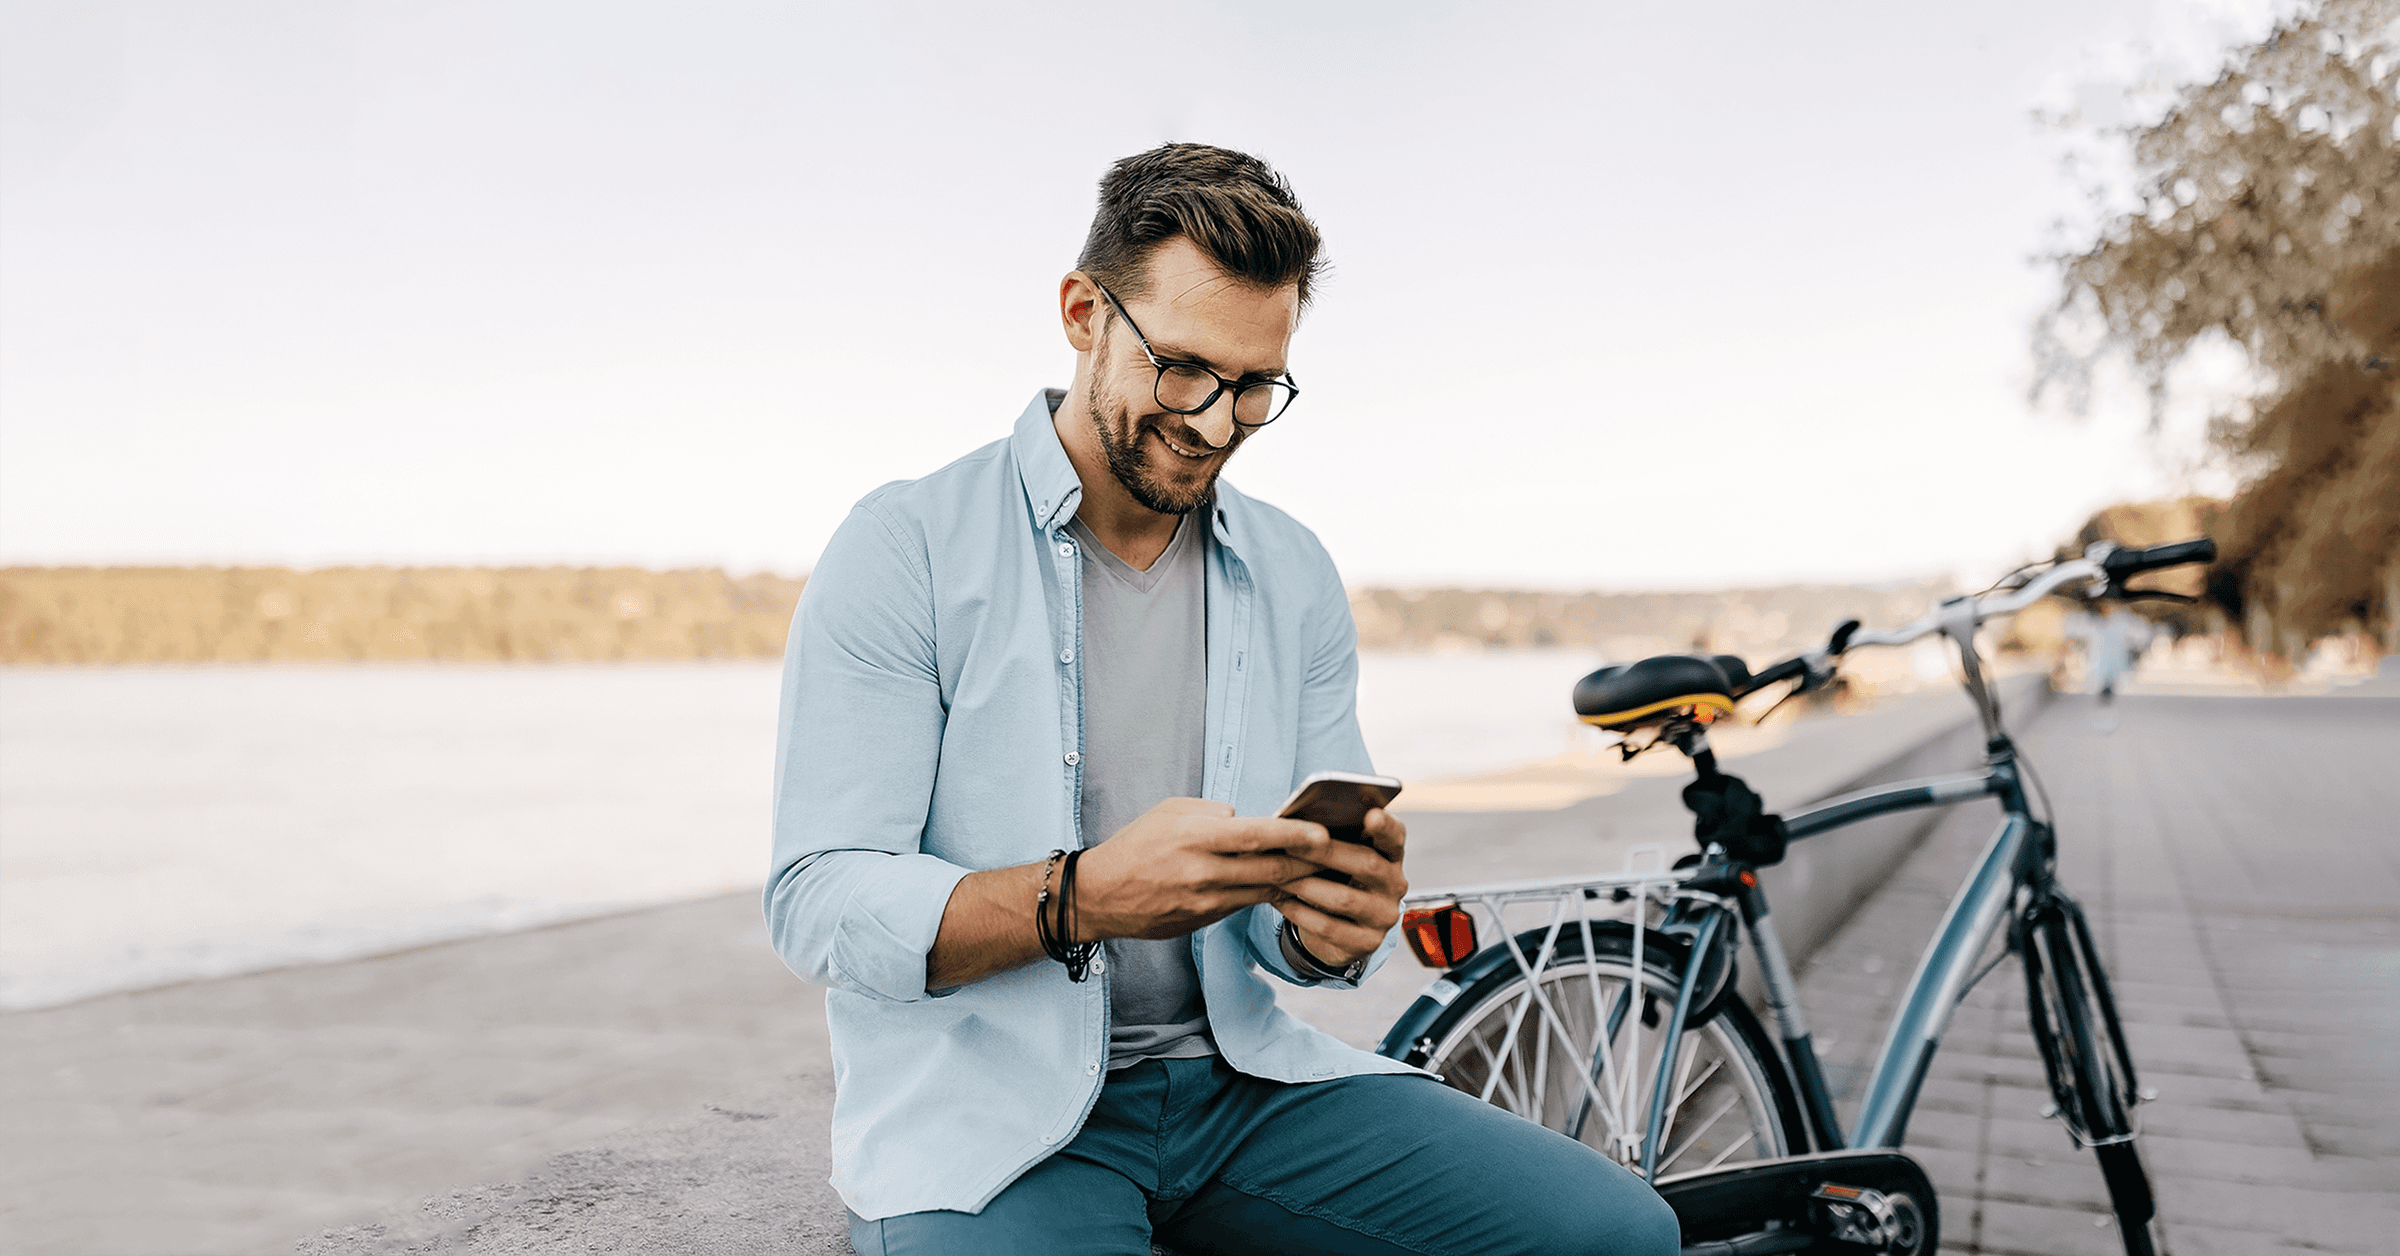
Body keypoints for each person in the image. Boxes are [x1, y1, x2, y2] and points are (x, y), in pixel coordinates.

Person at [766, 142, 1680, 1256]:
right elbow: (818, 897)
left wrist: (1330, 924)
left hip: (1248, 1087)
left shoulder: (1292, 570)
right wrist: (1084, 897)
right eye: (1185, 369)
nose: (1214, 424)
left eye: (1255, 386)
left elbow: (1285, 932)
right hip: (987, 1126)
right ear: (1081, 312)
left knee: (1617, 1234)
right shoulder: (905, 546)